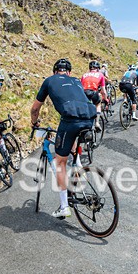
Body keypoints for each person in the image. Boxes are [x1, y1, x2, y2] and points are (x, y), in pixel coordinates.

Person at [30, 59, 97, 219]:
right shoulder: (76, 80)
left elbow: (35, 108)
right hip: (89, 118)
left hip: (70, 119)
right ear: (69, 72)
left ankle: (64, 206)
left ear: (54, 72)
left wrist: (34, 122)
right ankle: (79, 166)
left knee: (59, 162)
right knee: (71, 142)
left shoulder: (49, 81)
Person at [81, 61, 107, 131]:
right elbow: (103, 91)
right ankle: (97, 123)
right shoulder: (100, 75)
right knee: (98, 104)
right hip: (93, 92)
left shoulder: (84, 75)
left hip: (83, 93)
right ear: (98, 69)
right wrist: (106, 99)